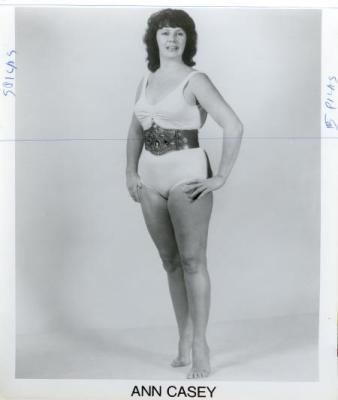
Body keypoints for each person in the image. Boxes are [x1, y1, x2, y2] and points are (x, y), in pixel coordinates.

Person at [126, 8, 243, 379]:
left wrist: (221, 175)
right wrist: (130, 171)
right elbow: (135, 132)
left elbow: (233, 125)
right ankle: (184, 335)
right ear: (154, 40)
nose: (172, 39)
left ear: (187, 40)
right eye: (165, 33)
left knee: (192, 261)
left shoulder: (196, 80)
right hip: (151, 178)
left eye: (179, 33)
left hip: (187, 175)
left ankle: (200, 345)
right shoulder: (146, 80)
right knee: (170, 262)